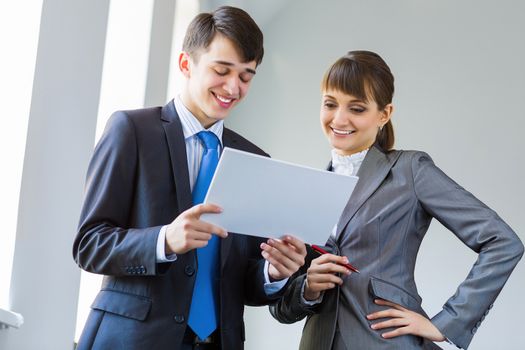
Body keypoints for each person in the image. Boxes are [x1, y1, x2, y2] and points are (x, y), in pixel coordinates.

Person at [73, 6, 306, 350]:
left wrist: (274, 273)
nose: (233, 87)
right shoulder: (132, 131)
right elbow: (89, 244)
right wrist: (164, 240)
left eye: (246, 76)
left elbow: (243, 281)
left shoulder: (255, 161)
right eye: (222, 70)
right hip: (132, 339)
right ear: (186, 64)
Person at [269, 50, 523, 350]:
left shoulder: (410, 170)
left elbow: (503, 241)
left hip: (387, 343)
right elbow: (281, 308)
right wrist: (308, 288)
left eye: (357, 108)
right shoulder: (307, 190)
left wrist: (447, 323)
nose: (339, 119)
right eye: (330, 104)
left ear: (384, 114)